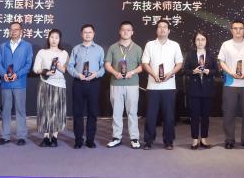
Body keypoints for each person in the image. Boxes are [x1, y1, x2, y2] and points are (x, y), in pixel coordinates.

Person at [141, 19, 184, 150]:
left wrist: (171, 73)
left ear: (169, 30)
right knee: (151, 116)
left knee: (169, 116)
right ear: (156, 30)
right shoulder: (150, 45)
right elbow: (145, 63)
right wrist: (154, 75)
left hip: (169, 86)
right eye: (160, 27)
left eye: (165, 27)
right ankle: (148, 141)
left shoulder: (175, 45)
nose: (162, 29)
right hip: (152, 86)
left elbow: (179, 63)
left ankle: (168, 141)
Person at [217, 19, 244, 149]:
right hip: (230, 84)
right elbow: (221, 61)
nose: (238, 31)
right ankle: (229, 140)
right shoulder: (226, 44)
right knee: (229, 113)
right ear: (231, 30)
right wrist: (230, 72)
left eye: (240, 28)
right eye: (235, 28)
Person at [104, 21, 144, 149]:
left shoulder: (137, 48)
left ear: (132, 32)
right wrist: (115, 73)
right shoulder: (113, 47)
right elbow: (107, 64)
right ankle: (116, 137)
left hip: (132, 84)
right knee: (116, 112)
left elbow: (142, 66)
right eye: (123, 29)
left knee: (132, 112)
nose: (125, 32)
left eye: (128, 30)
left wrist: (132, 72)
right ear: (119, 31)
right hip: (116, 83)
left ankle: (134, 138)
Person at [0, 21, 33, 146]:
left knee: (20, 110)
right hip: (6, 83)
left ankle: (21, 136)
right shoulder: (3, 46)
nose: (13, 31)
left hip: (20, 83)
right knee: (5, 110)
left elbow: (28, 64)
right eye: (11, 29)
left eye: (16, 29)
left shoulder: (27, 46)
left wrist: (18, 74)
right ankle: (5, 136)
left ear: (21, 31)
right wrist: (3, 74)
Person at [67, 23, 105, 148]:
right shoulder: (76, 49)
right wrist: (77, 75)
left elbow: (103, 67)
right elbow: (70, 66)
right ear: (81, 34)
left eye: (90, 32)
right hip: (78, 83)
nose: (87, 34)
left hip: (94, 83)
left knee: (92, 113)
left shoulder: (99, 49)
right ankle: (78, 140)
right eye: (85, 32)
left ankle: (90, 140)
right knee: (77, 113)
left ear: (94, 34)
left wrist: (96, 74)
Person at [32, 28, 69, 147]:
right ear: (48, 38)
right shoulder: (42, 52)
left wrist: (59, 66)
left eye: (56, 37)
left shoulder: (64, 53)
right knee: (45, 110)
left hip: (59, 85)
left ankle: (54, 137)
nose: (54, 40)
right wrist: (46, 72)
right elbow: (35, 69)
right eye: (52, 37)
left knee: (57, 111)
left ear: (59, 39)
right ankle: (46, 137)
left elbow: (65, 70)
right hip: (45, 84)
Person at [183, 31, 218, 149]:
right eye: (198, 39)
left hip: (207, 89)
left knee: (205, 116)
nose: (200, 42)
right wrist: (193, 71)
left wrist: (208, 71)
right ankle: (194, 139)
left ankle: (204, 139)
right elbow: (185, 70)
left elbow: (216, 71)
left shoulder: (211, 54)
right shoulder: (190, 55)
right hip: (194, 89)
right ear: (194, 41)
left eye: (203, 39)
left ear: (206, 41)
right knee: (194, 116)